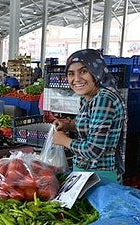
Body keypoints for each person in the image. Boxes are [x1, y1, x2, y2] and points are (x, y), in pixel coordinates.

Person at [52, 49, 127, 183]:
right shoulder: (88, 97)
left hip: (99, 176)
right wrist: (69, 125)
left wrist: (64, 141)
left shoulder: (103, 100)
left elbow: (94, 150)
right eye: (71, 74)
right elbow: (95, 127)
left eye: (83, 71)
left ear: (96, 71)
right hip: (87, 173)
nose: (76, 79)